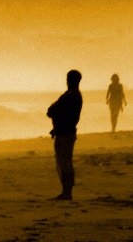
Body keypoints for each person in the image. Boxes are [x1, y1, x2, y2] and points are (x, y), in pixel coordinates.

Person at [46, 69, 83, 200]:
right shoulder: (76, 95)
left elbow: (52, 111)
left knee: (63, 162)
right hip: (68, 131)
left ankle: (66, 192)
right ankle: (67, 191)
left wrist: (57, 126)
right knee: (66, 161)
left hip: (64, 133)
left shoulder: (69, 96)